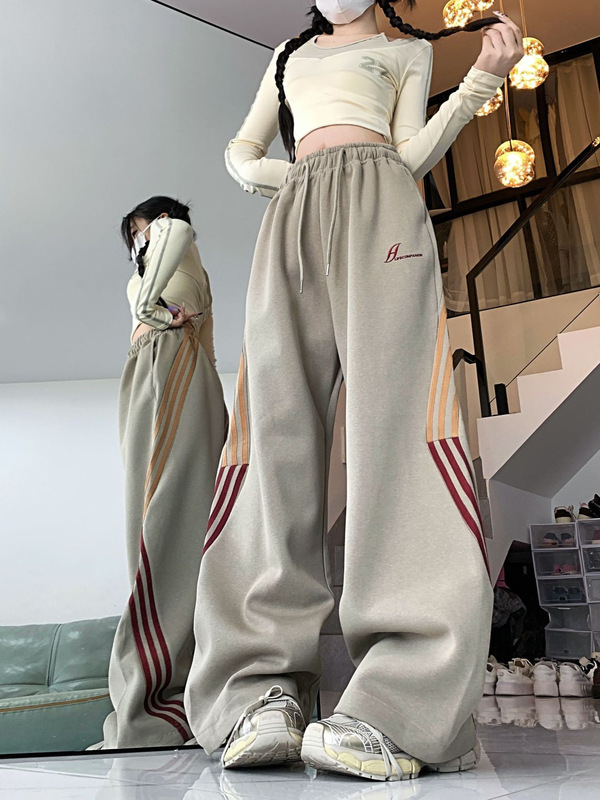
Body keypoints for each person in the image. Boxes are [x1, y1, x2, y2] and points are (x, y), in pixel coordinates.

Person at [184, 0, 524, 782]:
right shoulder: (286, 56)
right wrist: (297, 176)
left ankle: (403, 706)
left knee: (399, 433)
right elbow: (242, 151)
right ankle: (257, 691)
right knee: (268, 439)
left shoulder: (410, 52)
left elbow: (411, 152)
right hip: (292, 219)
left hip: (384, 211)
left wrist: (480, 81)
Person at [101, 196, 227, 748]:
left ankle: (165, 695)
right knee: (145, 522)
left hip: (172, 359)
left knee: (171, 520)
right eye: (134, 233)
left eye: (144, 226)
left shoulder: (177, 241)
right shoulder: (150, 272)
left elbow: (173, 229)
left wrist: (153, 309)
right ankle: (166, 691)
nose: (143, 236)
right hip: (145, 372)